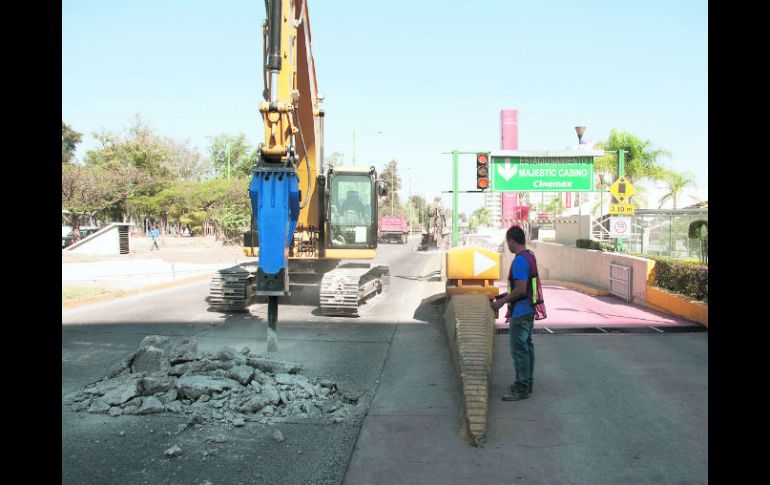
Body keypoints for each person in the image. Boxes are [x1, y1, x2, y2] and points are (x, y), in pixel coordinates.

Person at [491, 225, 546, 401]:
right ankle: (526, 383)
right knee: (527, 349)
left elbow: (521, 289)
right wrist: (503, 295)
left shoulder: (520, 260)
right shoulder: (530, 256)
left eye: (508, 242)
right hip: (529, 309)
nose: (508, 245)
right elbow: (524, 287)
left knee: (519, 351)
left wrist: (500, 302)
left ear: (512, 241)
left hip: (521, 312)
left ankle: (521, 388)